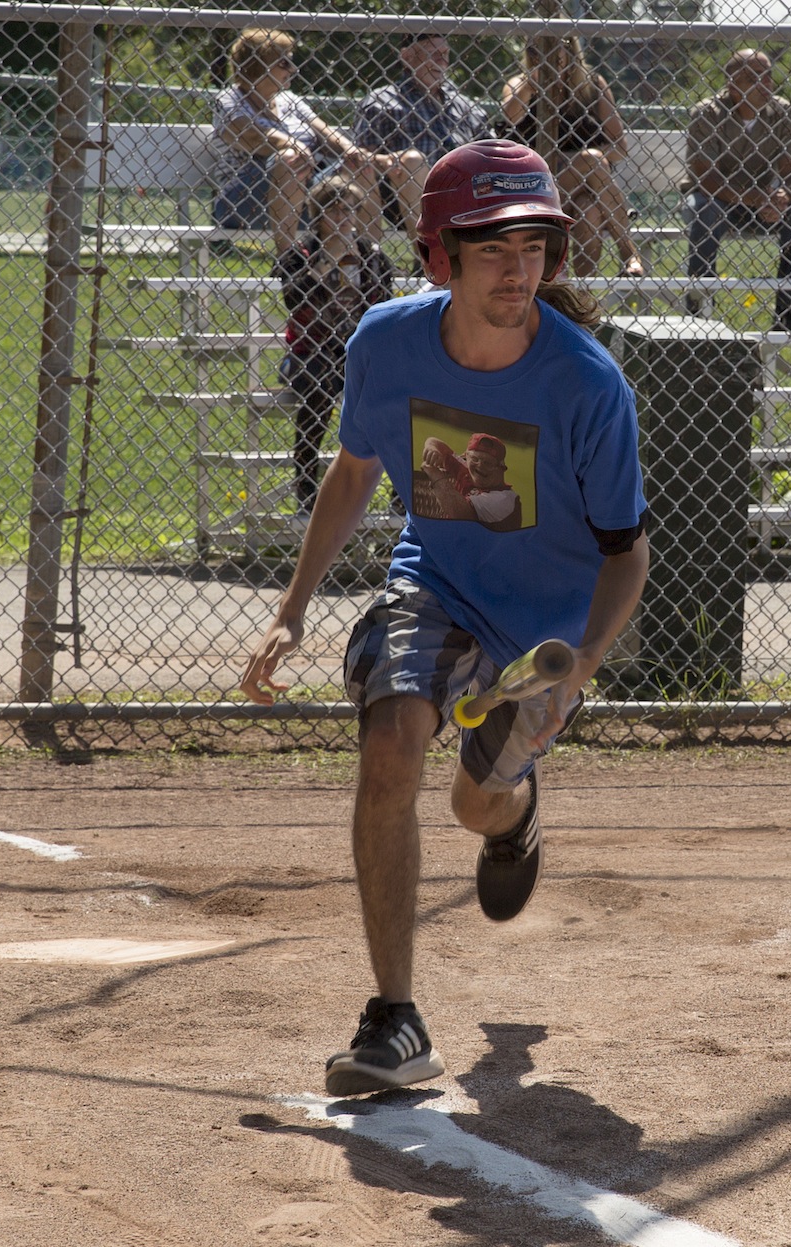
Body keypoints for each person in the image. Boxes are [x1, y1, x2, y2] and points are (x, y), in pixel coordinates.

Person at [241, 140, 650, 1097]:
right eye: (494, 249)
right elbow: (352, 474)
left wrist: (581, 665)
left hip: (540, 640)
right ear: (441, 259)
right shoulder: (386, 343)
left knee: (476, 803)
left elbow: (626, 552)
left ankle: (514, 816)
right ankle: (396, 1018)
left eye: (535, 247)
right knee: (391, 741)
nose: (520, 271)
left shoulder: (588, 386)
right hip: (437, 585)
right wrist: (292, 611)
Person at [212, 29, 399, 251]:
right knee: (290, 158)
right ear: (257, 66)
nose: (293, 69)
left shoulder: (290, 101)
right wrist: (289, 144)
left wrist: (351, 151)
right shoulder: (229, 99)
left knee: (357, 165)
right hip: (244, 200)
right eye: (284, 63)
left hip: (305, 196)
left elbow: (325, 133)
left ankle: (371, 258)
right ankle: (289, 262)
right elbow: (247, 134)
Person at [275, 175, 395, 516]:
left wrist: (355, 263)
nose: (344, 219)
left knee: (398, 393)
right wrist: (327, 262)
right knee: (318, 390)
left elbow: (383, 306)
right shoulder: (301, 254)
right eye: (335, 212)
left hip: (358, 352)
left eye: (350, 211)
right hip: (309, 352)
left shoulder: (371, 255)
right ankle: (307, 494)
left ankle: (400, 499)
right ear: (318, 216)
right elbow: (293, 300)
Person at [498, 35, 646, 277]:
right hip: (535, 190)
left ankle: (581, 295)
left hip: (583, 189)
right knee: (592, 159)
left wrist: (574, 162)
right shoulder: (519, 83)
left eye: (554, 50)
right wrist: (533, 81)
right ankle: (629, 253)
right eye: (535, 52)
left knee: (590, 210)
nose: (545, 57)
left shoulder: (592, 85)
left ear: (570, 50)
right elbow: (510, 117)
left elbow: (619, 147)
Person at [684, 49, 791, 332]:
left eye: (768, 76)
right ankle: (699, 310)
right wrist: (752, 197)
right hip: (717, 200)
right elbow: (706, 178)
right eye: (754, 78)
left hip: (763, 202)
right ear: (732, 84)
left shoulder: (783, 111)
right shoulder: (707, 113)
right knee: (705, 209)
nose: (765, 84)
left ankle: (789, 313)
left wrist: (783, 198)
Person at [351, 33, 491, 248]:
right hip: (401, 195)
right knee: (413, 160)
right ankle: (428, 256)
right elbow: (359, 159)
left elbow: (489, 149)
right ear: (407, 57)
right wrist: (393, 160)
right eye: (433, 54)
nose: (441, 62)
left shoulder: (462, 104)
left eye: (445, 55)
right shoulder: (382, 101)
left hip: (463, 192)